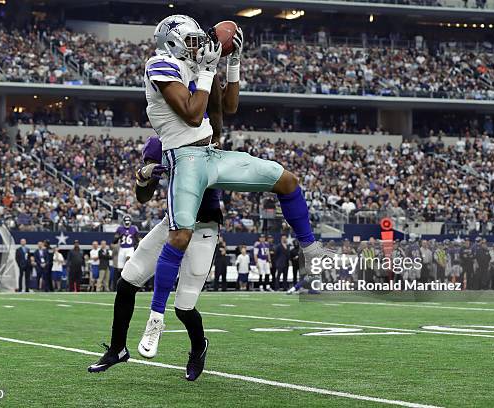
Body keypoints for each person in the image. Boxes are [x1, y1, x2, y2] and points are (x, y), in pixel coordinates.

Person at [142, 14, 332, 352]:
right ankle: (155, 319)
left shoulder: (198, 64)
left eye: (198, 40)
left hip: (212, 154)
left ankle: (311, 249)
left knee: (287, 180)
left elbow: (227, 105)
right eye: (190, 40)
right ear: (171, 42)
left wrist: (233, 64)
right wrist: (207, 70)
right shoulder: (159, 64)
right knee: (181, 235)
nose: (197, 45)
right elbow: (190, 112)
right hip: (184, 158)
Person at [88, 137, 221, 382]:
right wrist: (143, 176)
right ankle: (118, 348)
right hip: (172, 224)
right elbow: (143, 197)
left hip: (204, 227)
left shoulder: (206, 140)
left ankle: (198, 346)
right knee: (126, 282)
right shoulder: (160, 143)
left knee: (184, 307)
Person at [113, 215, 139, 288]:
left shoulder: (134, 228)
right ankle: (120, 284)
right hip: (122, 249)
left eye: (128, 222)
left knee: (128, 263)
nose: (127, 224)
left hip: (130, 248)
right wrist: (119, 237)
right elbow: (114, 241)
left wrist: (137, 246)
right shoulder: (119, 228)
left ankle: (130, 283)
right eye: (126, 222)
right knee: (120, 269)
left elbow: (137, 240)